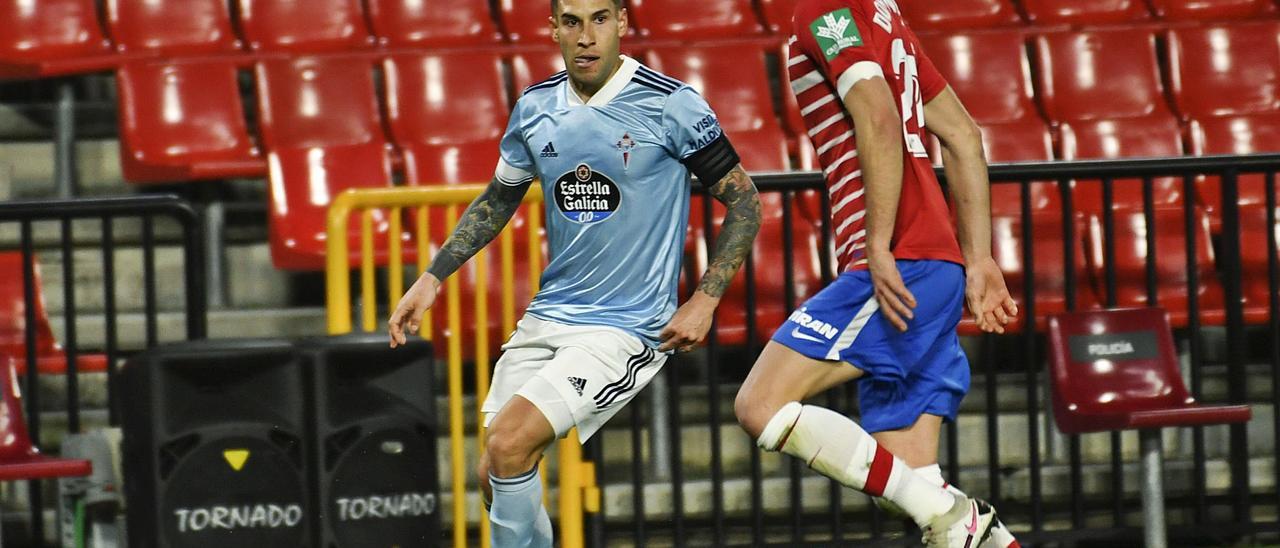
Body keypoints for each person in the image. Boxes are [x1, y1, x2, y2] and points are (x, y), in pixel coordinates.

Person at [387, 0, 762, 545]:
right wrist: (432, 277)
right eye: (572, 22)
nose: (586, 36)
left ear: (622, 24)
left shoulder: (670, 105)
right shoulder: (536, 106)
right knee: (493, 469)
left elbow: (746, 203)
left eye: (600, 19)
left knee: (510, 444)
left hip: (625, 324)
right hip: (549, 316)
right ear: (553, 28)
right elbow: (497, 199)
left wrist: (704, 298)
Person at [733, 0, 1022, 547]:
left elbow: (880, 117)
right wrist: (979, 258)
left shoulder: (824, 8)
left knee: (759, 406)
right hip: (938, 266)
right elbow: (963, 135)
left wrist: (877, 241)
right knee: (915, 486)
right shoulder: (885, 16)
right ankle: (961, 522)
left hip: (900, 262)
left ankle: (958, 518)